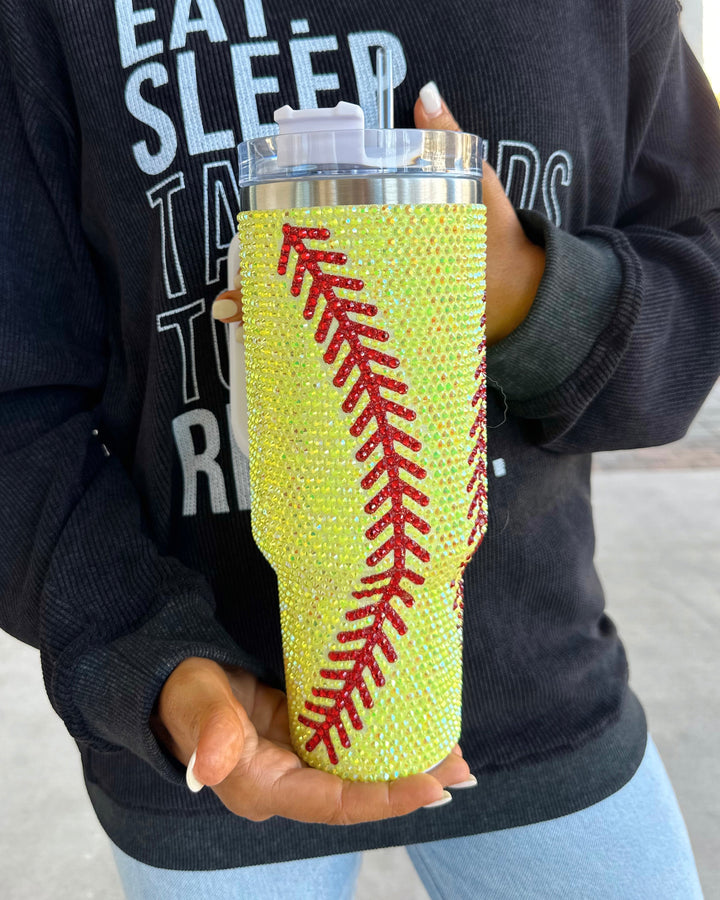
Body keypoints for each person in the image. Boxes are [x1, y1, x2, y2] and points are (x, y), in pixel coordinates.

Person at [1, 0, 717, 897]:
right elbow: (18, 407)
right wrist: (135, 649)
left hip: (542, 693)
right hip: (200, 725)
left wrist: (538, 297)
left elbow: (702, 264)